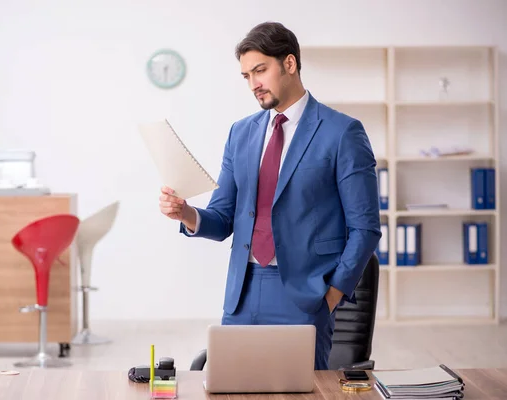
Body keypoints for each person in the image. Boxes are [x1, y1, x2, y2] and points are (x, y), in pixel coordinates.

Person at [158, 21, 381, 370]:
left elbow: (365, 228)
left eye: (260, 70)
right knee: (232, 390)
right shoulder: (241, 133)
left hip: (305, 295)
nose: (253, 84)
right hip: (242, 293)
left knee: (302, 393)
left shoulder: (342, 132)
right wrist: (186, 213)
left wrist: (331, 295)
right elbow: (222, 218)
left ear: (289, 64)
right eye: (246, 76)